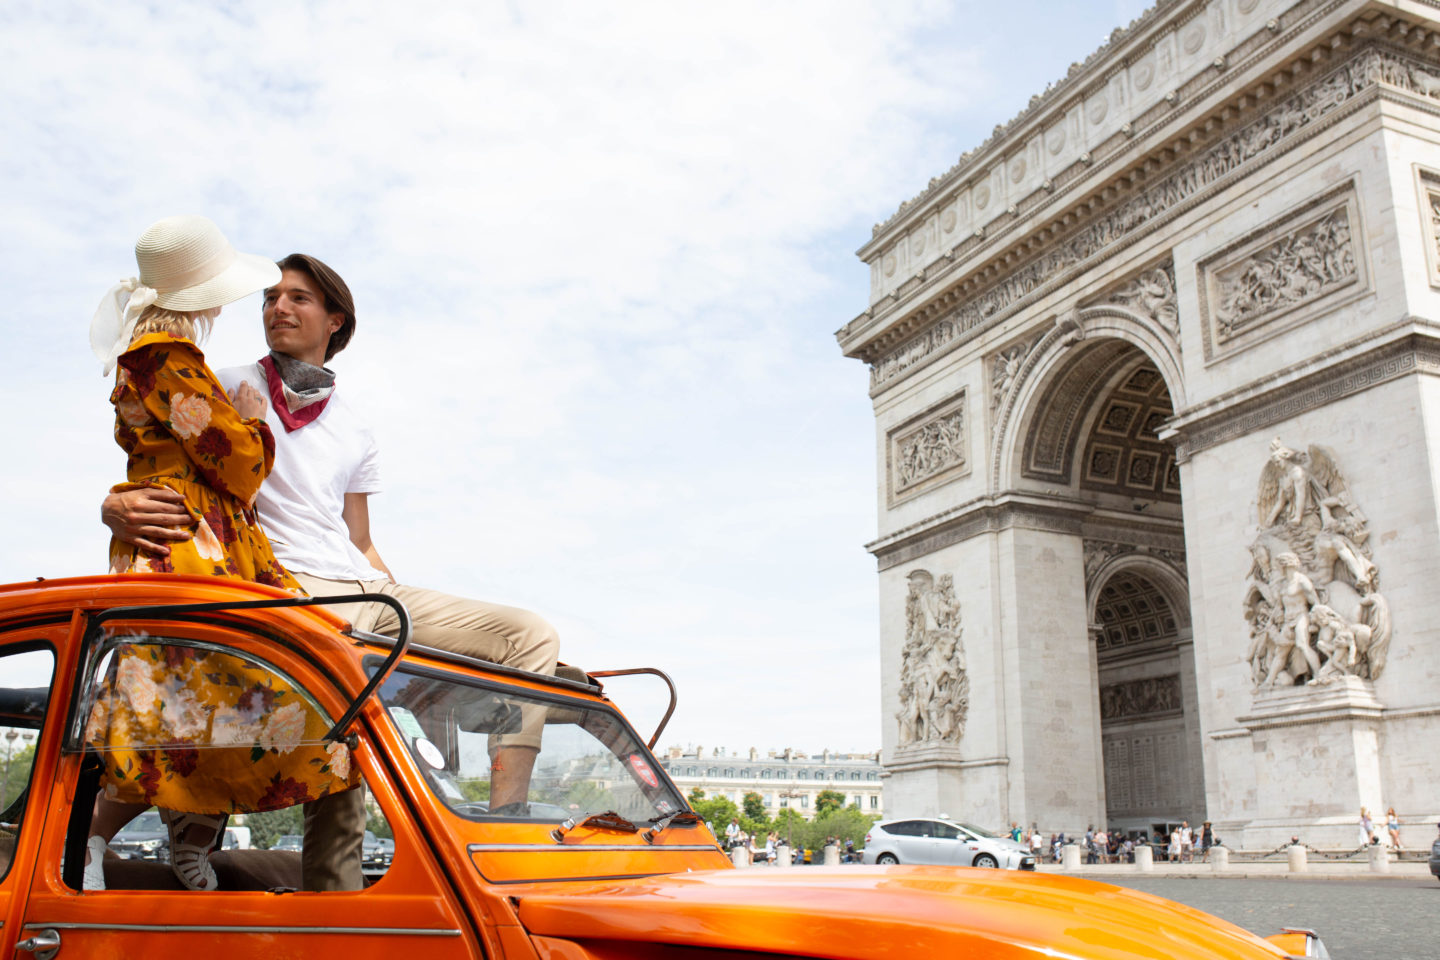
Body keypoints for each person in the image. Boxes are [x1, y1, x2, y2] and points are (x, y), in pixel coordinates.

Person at [101, 253, 560, 891]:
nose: (278, 308)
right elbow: (153, 462)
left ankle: (509, 829)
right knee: (347, 734)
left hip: (360, 587)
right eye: (270, 298)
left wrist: (410, 622)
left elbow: (361, 540)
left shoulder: (356, 425)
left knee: (531, 636)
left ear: (335, 320)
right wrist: (112, 506)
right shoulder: (222, 381)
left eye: (299, 299)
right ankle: (330, 903)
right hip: (278, 587)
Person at [83, 216, 359, 891]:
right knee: (191, 700)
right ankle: (91, 839)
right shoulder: (164, 360)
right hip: (190, 544)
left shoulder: (165, 358)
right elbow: (234, 465)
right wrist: (255, 423)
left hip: (207, 538)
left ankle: (188, 839)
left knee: (219, 697)